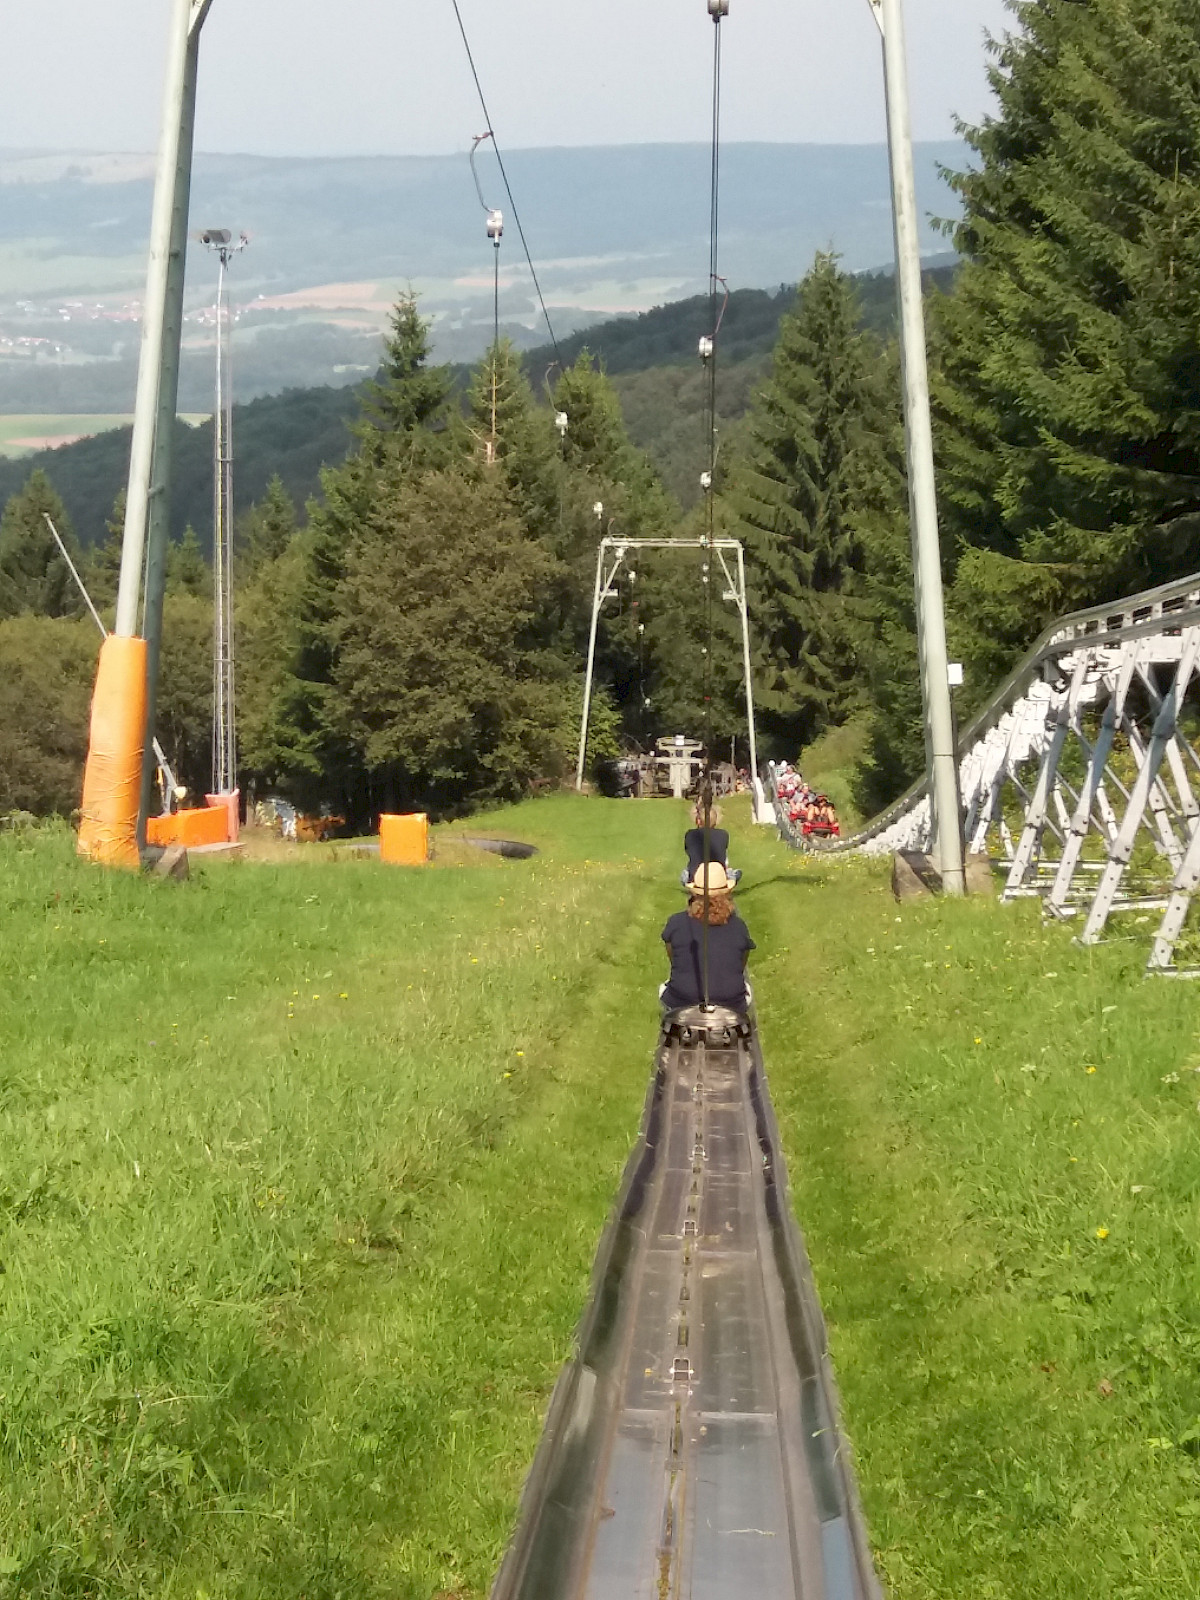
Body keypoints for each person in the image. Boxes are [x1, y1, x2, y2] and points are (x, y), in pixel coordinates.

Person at [661, 862, 755, 1013]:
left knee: (665, 989)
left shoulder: (676, 922)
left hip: (682, 999)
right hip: (730, 1002)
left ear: (694, 894)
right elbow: (741, 964)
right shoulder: (738, 926)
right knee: (747, 990)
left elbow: (673, 957)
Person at [681, 799, 741, 887]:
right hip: (718, 876)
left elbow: (688, 851)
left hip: (696, 877)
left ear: (698, 821)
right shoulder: (723, 834)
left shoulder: (690, 834)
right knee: (731, 871)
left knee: (685, 873)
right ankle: (730, 875)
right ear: (715, 821)